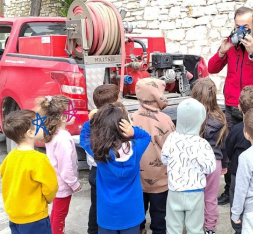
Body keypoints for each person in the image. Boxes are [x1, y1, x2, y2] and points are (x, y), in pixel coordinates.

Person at [208, 6, 253, 205]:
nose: (241, 31)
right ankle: (230, 190)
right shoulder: (232, 43)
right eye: (238, 27)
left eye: (246, 27)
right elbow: (212, 68)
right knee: (230, 151)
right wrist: (222, 51)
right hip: (232, 105)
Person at [88, 102, 151, 233]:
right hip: (132, 213)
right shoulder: (135, 148)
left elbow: (84, 136)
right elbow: (146, 136)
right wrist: (133, 131)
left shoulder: (97, 149)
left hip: (107, 214)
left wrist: (93, 120)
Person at [161, 98, 216, 234]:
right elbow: (210, 168)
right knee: (195, 228)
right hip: (195, 192)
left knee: (173, 228)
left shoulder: (171, 138)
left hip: (174, 191)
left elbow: (164, 159)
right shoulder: (202, 143)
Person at [1, 110, 59, 234]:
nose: (43, 127)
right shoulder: (39, 160)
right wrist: (48, 199)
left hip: (14, 216)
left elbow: (5, 175)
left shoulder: (10, 156)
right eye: (40, 125)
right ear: (30, 133)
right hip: (35, 218)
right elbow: (51, 187)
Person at [130, 78, 175, 234]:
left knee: (137, 216)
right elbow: (171, 149)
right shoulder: (165, 120)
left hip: (137, 180)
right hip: (160, 180)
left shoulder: (131, 118)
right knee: (159, 215)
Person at [79, 84, 121, 234]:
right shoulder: (118, 123)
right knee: (112, 202)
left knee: (96, 204)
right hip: (108, 169)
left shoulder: (90, 124)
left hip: (96, 170)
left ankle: (94, 230)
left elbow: (83, 140)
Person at [38, 95, 81, 234]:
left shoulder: (54, 132)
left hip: (55, 182)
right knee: (60, 215)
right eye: (71, 111)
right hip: (63, 185)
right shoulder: (63, 139)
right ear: (62, 118)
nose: (74, 113)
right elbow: (65, 167)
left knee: (56, 212)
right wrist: (74, 183)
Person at [190, 78, 228, 234]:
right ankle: (210, 228)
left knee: (193, 197)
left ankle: (194, 226)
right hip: (214, 162)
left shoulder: (191, 117)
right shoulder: (221, 118)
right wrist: (224, 164)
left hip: (194, 162)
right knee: (210, 198)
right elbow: (223, 145)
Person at [226, 85, 253, 234]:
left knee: (236, 198)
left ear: (239, 107)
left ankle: (238, 227)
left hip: (237, 173)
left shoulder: (236, 129)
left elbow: (229, 149)